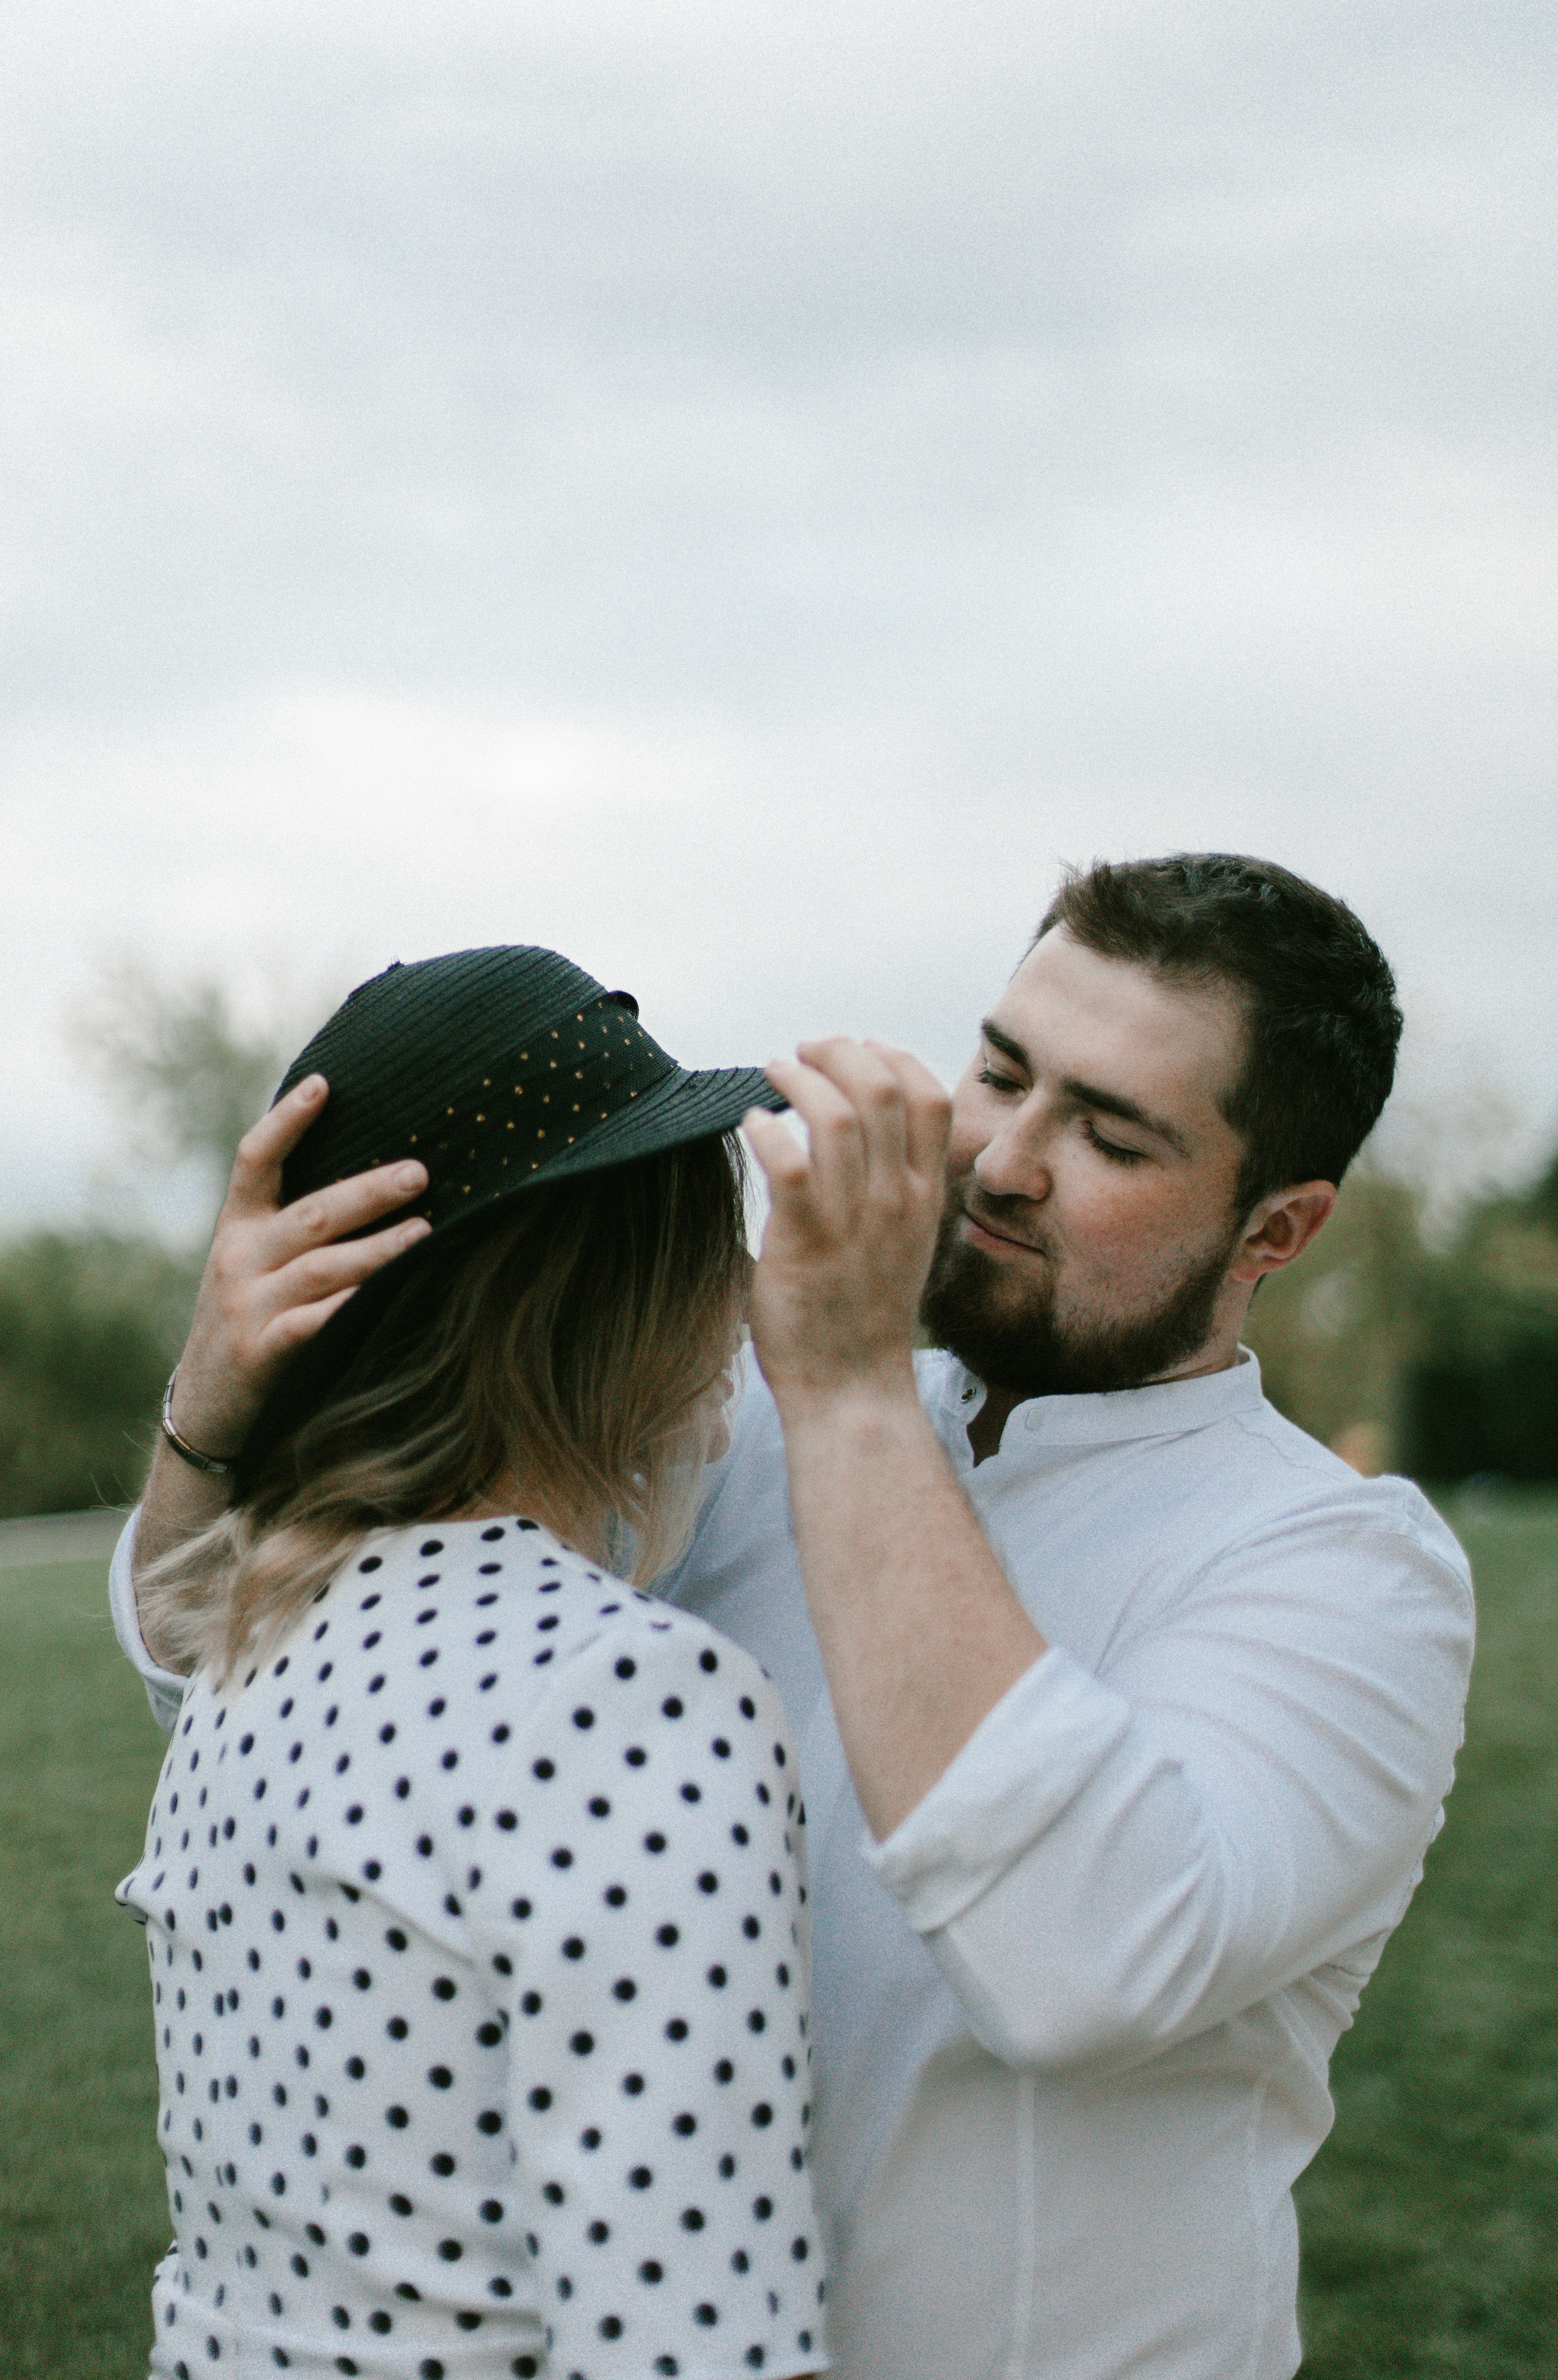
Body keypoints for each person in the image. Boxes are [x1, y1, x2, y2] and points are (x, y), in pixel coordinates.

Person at [115, 857, 1474, 2380]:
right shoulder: (741, 1406)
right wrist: (211, 1421)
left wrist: (842, 1385)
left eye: (1107, 1135)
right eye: (999, 1073)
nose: (1002, 1161)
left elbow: (1084, 1965)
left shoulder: (1337, 1569)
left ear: (1273, 1232)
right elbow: (284, 1672)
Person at [115, 946, 827, 2380]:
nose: (743, 1284)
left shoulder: (257, 1643)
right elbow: (688, 2345)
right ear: (599, 1286)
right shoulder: (628, 1700)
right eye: (707, 1231)